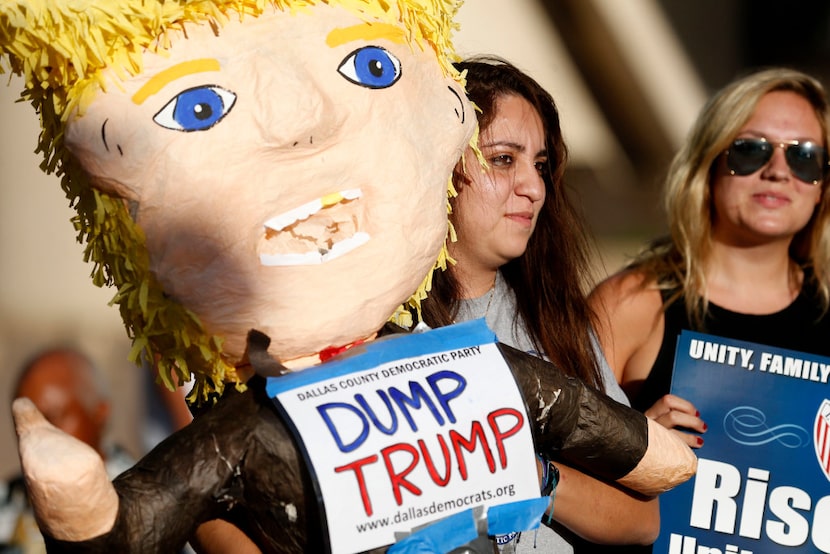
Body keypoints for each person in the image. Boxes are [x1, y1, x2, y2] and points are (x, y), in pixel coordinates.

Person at [416, 56, 660, 553]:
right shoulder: (365, 321)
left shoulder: (551, 322)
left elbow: (641, 518)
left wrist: (533, 477)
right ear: (439, 162)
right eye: (504, 159)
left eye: (541, 165)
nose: (533, 187)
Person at [588, 67, 830, 552]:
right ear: (708, 163)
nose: (778, 171)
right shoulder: (632, 304)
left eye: (805, 157)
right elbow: (547, 466)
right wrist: (634, 448)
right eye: (751, 148)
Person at [0, 347, 134, 553]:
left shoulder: (141, 501)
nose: (35, 435)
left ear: (100, 413)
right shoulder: (8, 501)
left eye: (53, 417)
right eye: (21, 423)